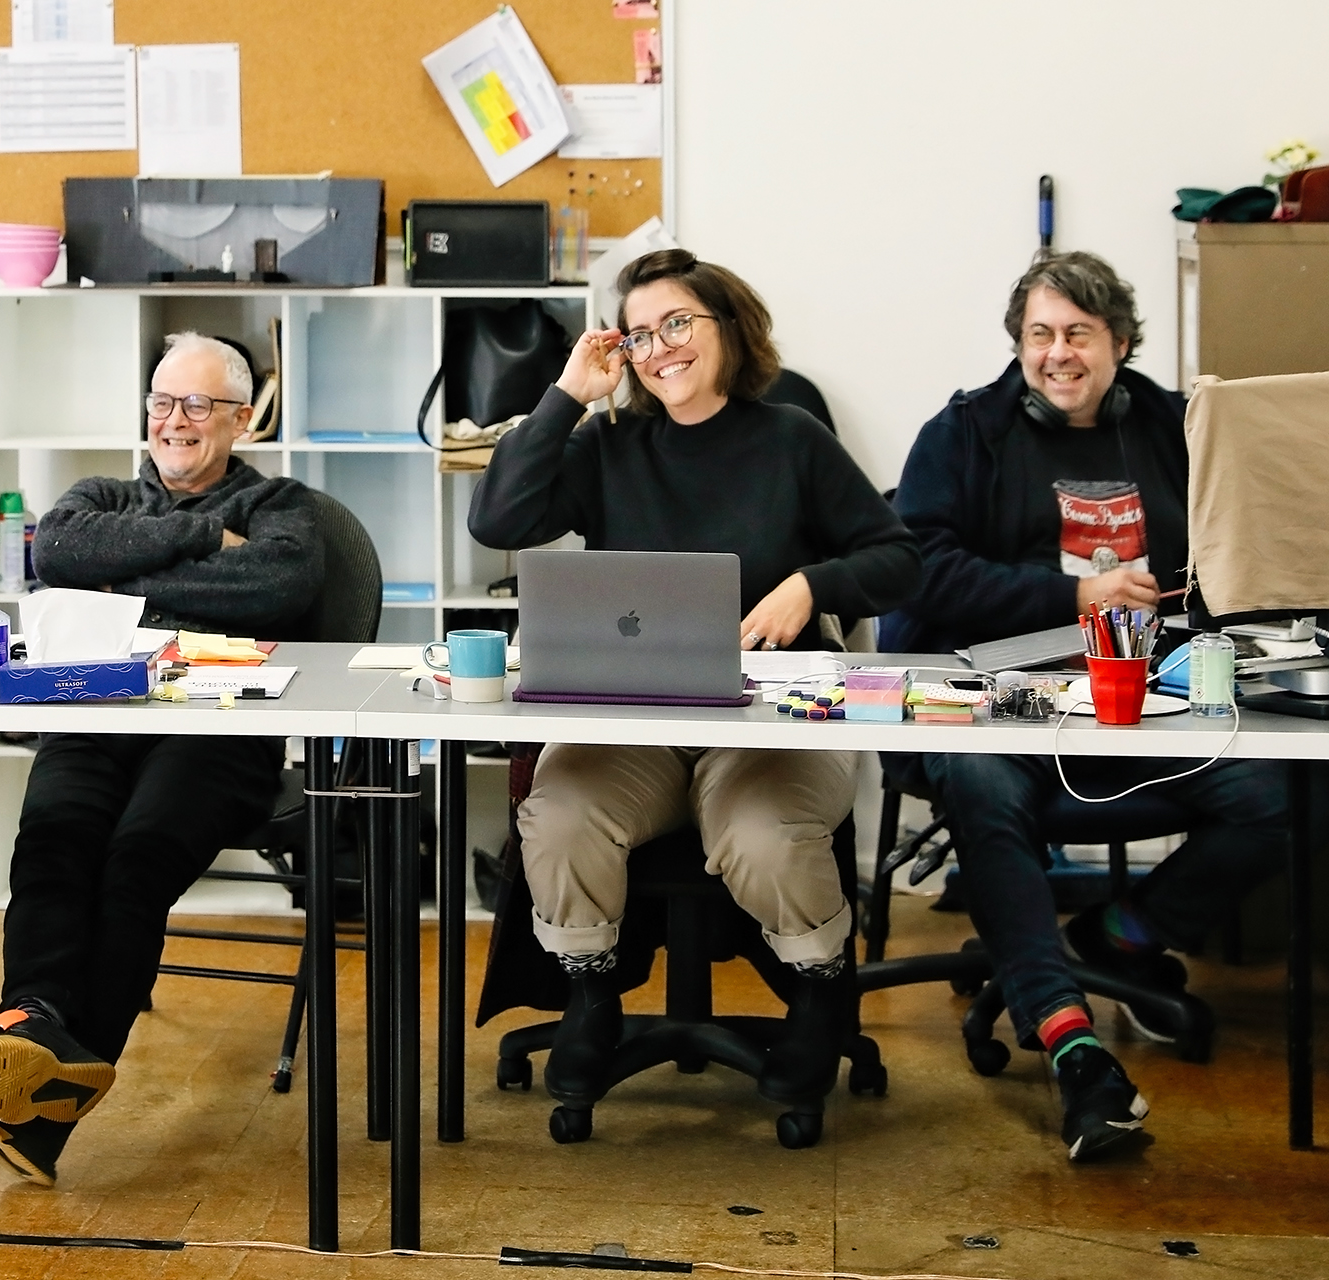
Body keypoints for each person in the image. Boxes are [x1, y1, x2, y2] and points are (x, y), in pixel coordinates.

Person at [467, 250, 921, 1110]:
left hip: (765, 725)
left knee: (762, 834)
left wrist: (811, 585)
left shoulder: (792, 438)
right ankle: (592, 992)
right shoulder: (606, 445)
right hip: (636, 726)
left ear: (727, 327)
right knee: (558, 813)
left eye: (679, 323)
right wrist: (567, 395)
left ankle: (822, 988)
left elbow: (902, 560)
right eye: (640, 334)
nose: (661, 346)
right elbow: (497, 520)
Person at [884, 251, 1287, 1161]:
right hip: (999, 699)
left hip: (1145, 699)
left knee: (1284, 794)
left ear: (1121, 342)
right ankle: (1073, 1047)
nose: (1057, 354)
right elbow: (923, 570)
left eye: (1078, 334)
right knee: (984, 792)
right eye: (1040, 335)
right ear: (1018, 345)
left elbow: (1235, 551)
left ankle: (1114, 935)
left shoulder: (1178, 427)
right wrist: (1073, 597)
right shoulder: (963, 434)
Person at [0, 332, 325, 1186]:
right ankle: (27, 1027)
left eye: (199, 406)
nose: (174, 422)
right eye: (161, 404)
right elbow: (56, 553)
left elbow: (279, 587)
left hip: (221, 730)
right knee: (54, 839)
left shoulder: (285, 505)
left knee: (134, 860)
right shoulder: (99, 493)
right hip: (97, 707)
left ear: (242, 421)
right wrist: (211, 544)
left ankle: (29, 1107)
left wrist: (125, 579)